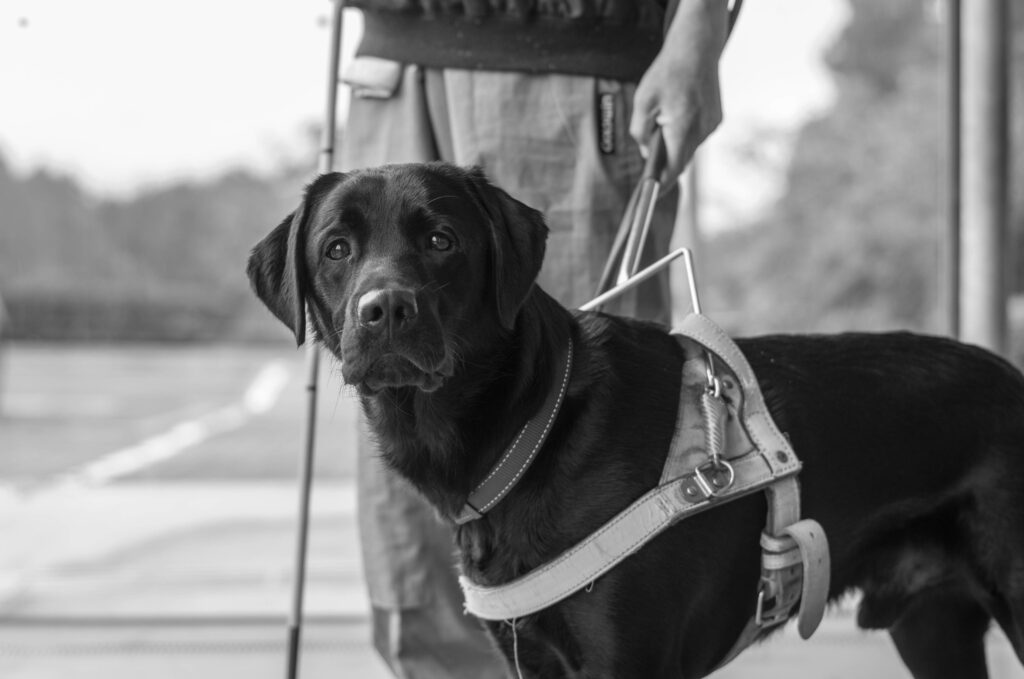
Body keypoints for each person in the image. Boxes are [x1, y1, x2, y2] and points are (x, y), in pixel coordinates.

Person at [337, 1, 731, 676]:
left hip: (575, 56)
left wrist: (701, 26)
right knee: (411, 508)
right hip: (397, 53)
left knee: (596, 496)